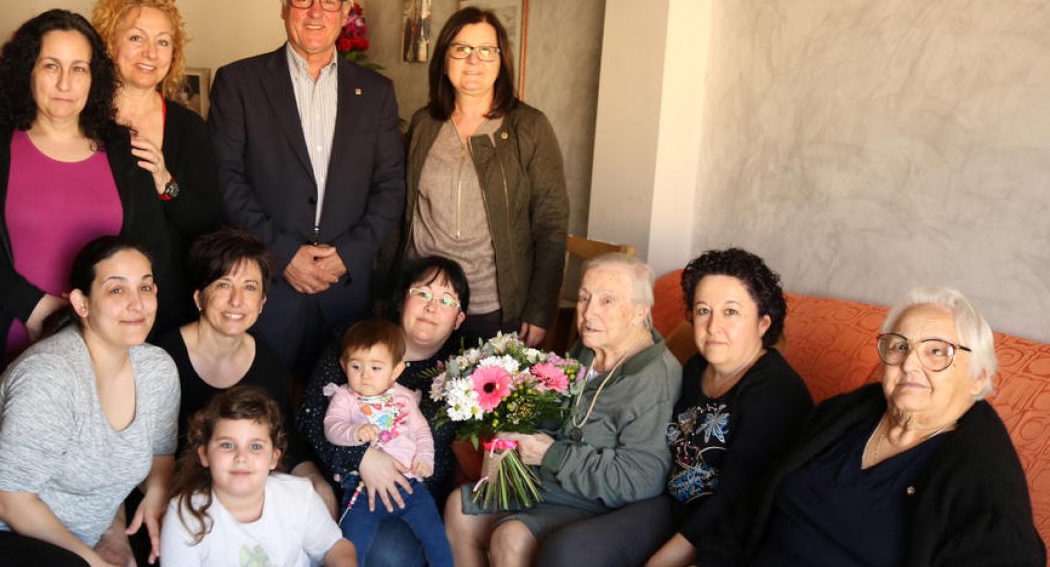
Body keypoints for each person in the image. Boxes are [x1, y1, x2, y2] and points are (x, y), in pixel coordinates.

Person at [0, 9, 172, 433]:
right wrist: (36, 307)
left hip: (104, 348)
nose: (65, 83)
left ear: (94, 77)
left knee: (93, 478)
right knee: (13, 484)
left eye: (78, 68)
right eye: (50, 66)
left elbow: (152, 248)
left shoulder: (124, 151)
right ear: (27, 71)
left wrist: (99, 314)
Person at [696, 287, 1046, 566]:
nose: (910, 363)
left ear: (978, 378)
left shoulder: (984, 480)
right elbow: (756, 499)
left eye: (938, 352)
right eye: (899, 346)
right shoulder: (846, 415)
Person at [0, 0, 223, 329]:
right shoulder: (36, 122)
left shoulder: (178, 130)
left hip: (140, 311)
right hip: (17, 318)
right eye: (136, 38)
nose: (150, 52)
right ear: (107, 44)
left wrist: (166, 184)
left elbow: (206, 221)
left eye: (163, 42)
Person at [537, 248, 813, 567]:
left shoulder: (775, 393)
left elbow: (734, 499)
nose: (713, 326)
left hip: (726, 529)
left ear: (763, 322)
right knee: (567, 549)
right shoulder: (697, 368)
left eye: (731, 312)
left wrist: (663, 559)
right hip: (667, 506)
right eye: (703, 310)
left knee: (570, 554)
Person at [0, 236, 180, 567]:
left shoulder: (157, 370)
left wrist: (153, 495)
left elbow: (160, 452)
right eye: (117, 290)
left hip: (70, 540)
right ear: (82, 304)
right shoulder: (50, 375)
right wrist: (93, 563)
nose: (137, 303)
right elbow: (10, 502)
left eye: (145, 287)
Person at [208, 0, 405, 377]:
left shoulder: (376, 93)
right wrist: (284, 254)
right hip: (266, 285)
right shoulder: (238, 82)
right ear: (284, 8)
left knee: (345, 417)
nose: (316, 12)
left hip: (345, 290)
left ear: (345, 13)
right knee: (259, 412)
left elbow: (390, 186)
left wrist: (347, 256)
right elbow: (225, 180)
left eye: (329, 1)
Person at [444, 253, 683, 567]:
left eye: (607, 301)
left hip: (595, 502)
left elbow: (640, 479)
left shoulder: (655, 378)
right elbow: (559, 410)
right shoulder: (588, 347)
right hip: (548, 482)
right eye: (584, 297)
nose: (587, 313)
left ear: (640, 312)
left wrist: (551, 454)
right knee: (458, 509)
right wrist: (520, 418)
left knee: (511, 537)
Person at [396, 6, 568, 346]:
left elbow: (551, 222)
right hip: (422, 302)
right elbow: (401, 209)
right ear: (444, 59)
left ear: (501, 60)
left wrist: (540, 308)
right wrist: (386, 290)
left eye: (486, 50)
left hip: (491, 307)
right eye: (461, 49)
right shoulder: (424, 123)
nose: (473, 60)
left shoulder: (529, 127)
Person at [298, 255, 470, 567]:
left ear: (459, 319)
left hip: (413, 500)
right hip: (344, 487)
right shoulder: (356, 341)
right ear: (403, 298)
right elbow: (310, 418)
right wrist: (361, 458)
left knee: (388, 552)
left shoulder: (463, 374)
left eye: (447, 300)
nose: (432, 307)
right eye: (423, 293)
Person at [156, 227, 335, 511]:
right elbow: (145, 455)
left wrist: (314, 480)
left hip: (244, 500)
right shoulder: (161, 357)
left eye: (250, 287)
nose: (236, 301)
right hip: (174, 500)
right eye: (224, 285)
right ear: (199, 297)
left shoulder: (269, 363)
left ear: (262, 302)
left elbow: (285, 437)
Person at [161, 386, 356, 567]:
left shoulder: (299, 495)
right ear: (204, 455)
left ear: (273, 458)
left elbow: (335, 547)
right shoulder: (185, 515)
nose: (241, 457)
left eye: (255, 447)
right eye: (227, 445)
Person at [323, 318, 453, 567]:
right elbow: (332, 428)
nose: (365, 376)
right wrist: (354, 433)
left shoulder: (404, 398)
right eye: (356, 366)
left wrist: (424, 458)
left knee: (436, 538)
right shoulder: (344, 397)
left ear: (395, 371)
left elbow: (422, 432)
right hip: (362, 492)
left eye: (376, 368)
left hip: (411, 487)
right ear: (343, 365)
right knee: (350, 545)